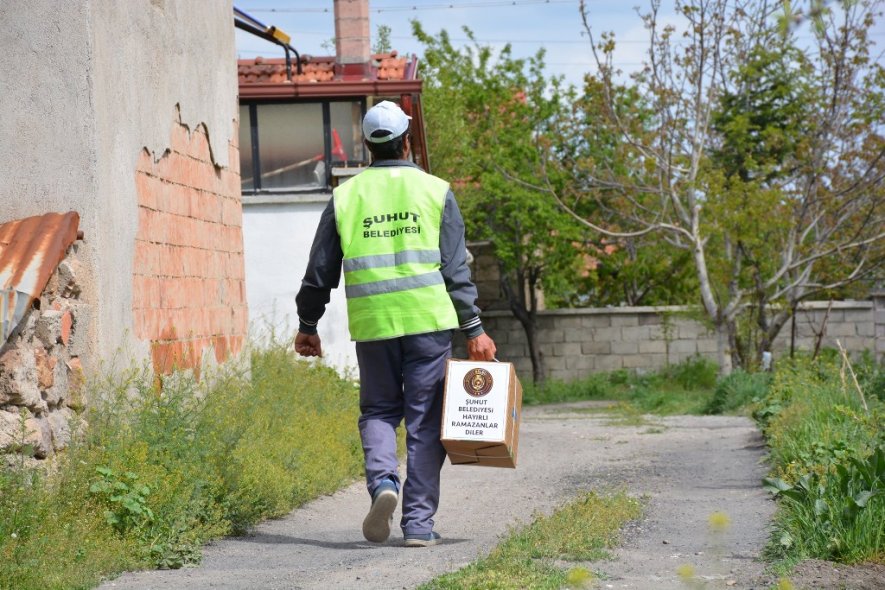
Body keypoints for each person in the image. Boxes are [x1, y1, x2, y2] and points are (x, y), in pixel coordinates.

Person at [293, 101, 496, 548]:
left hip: (374, 325)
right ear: (407, 142)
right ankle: (418, 525)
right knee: (424, 422)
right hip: (428, 324)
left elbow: (320, 270)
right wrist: (474, 329)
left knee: (380, 411)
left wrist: (308, 323)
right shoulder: (436, 191)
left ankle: (384, 482)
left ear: (368, 147)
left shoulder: (346, 196)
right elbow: (455, 269)